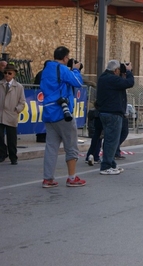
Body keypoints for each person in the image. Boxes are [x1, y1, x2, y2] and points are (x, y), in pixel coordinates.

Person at [40, 46, 86, 188]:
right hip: (62, 112)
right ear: (65, 58)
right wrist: (76, 69)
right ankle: (72, 178)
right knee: (71, 146)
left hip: (49, 113)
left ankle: (48, 179)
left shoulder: (46, 70)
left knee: (51, 147)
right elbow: (78, 83)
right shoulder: (62, 69)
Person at [97, 60, 134, 175]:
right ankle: (106, 166)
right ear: (116, 70)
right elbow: (129, 83)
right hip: (113, 114)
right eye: (119, 71)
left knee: (110, 139)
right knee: (111, 141)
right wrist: (128, 72)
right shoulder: (112, 79)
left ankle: (111, 163)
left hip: (105, 112)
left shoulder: (103, 78)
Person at [0, 64, 26, 165]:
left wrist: (17, 109)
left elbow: (22, 101)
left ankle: (13, 157)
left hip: (11, 114)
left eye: (9, 73)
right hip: (1, 114)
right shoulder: (0, 84)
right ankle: (2, 154)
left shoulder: (18, 87)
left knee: (12, 139)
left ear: (14, 74)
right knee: (0, 137)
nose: (7, 75)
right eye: (5, 73)